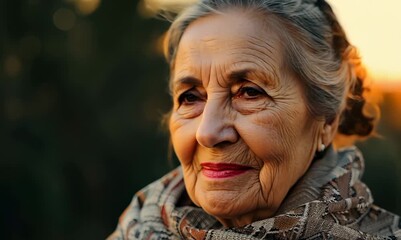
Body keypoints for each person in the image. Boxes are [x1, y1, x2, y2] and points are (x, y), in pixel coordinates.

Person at [108, 0, 401, 239]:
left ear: (326, 121)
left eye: (249, 93)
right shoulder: (137, 229)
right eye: (190, 97)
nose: (207, 133)